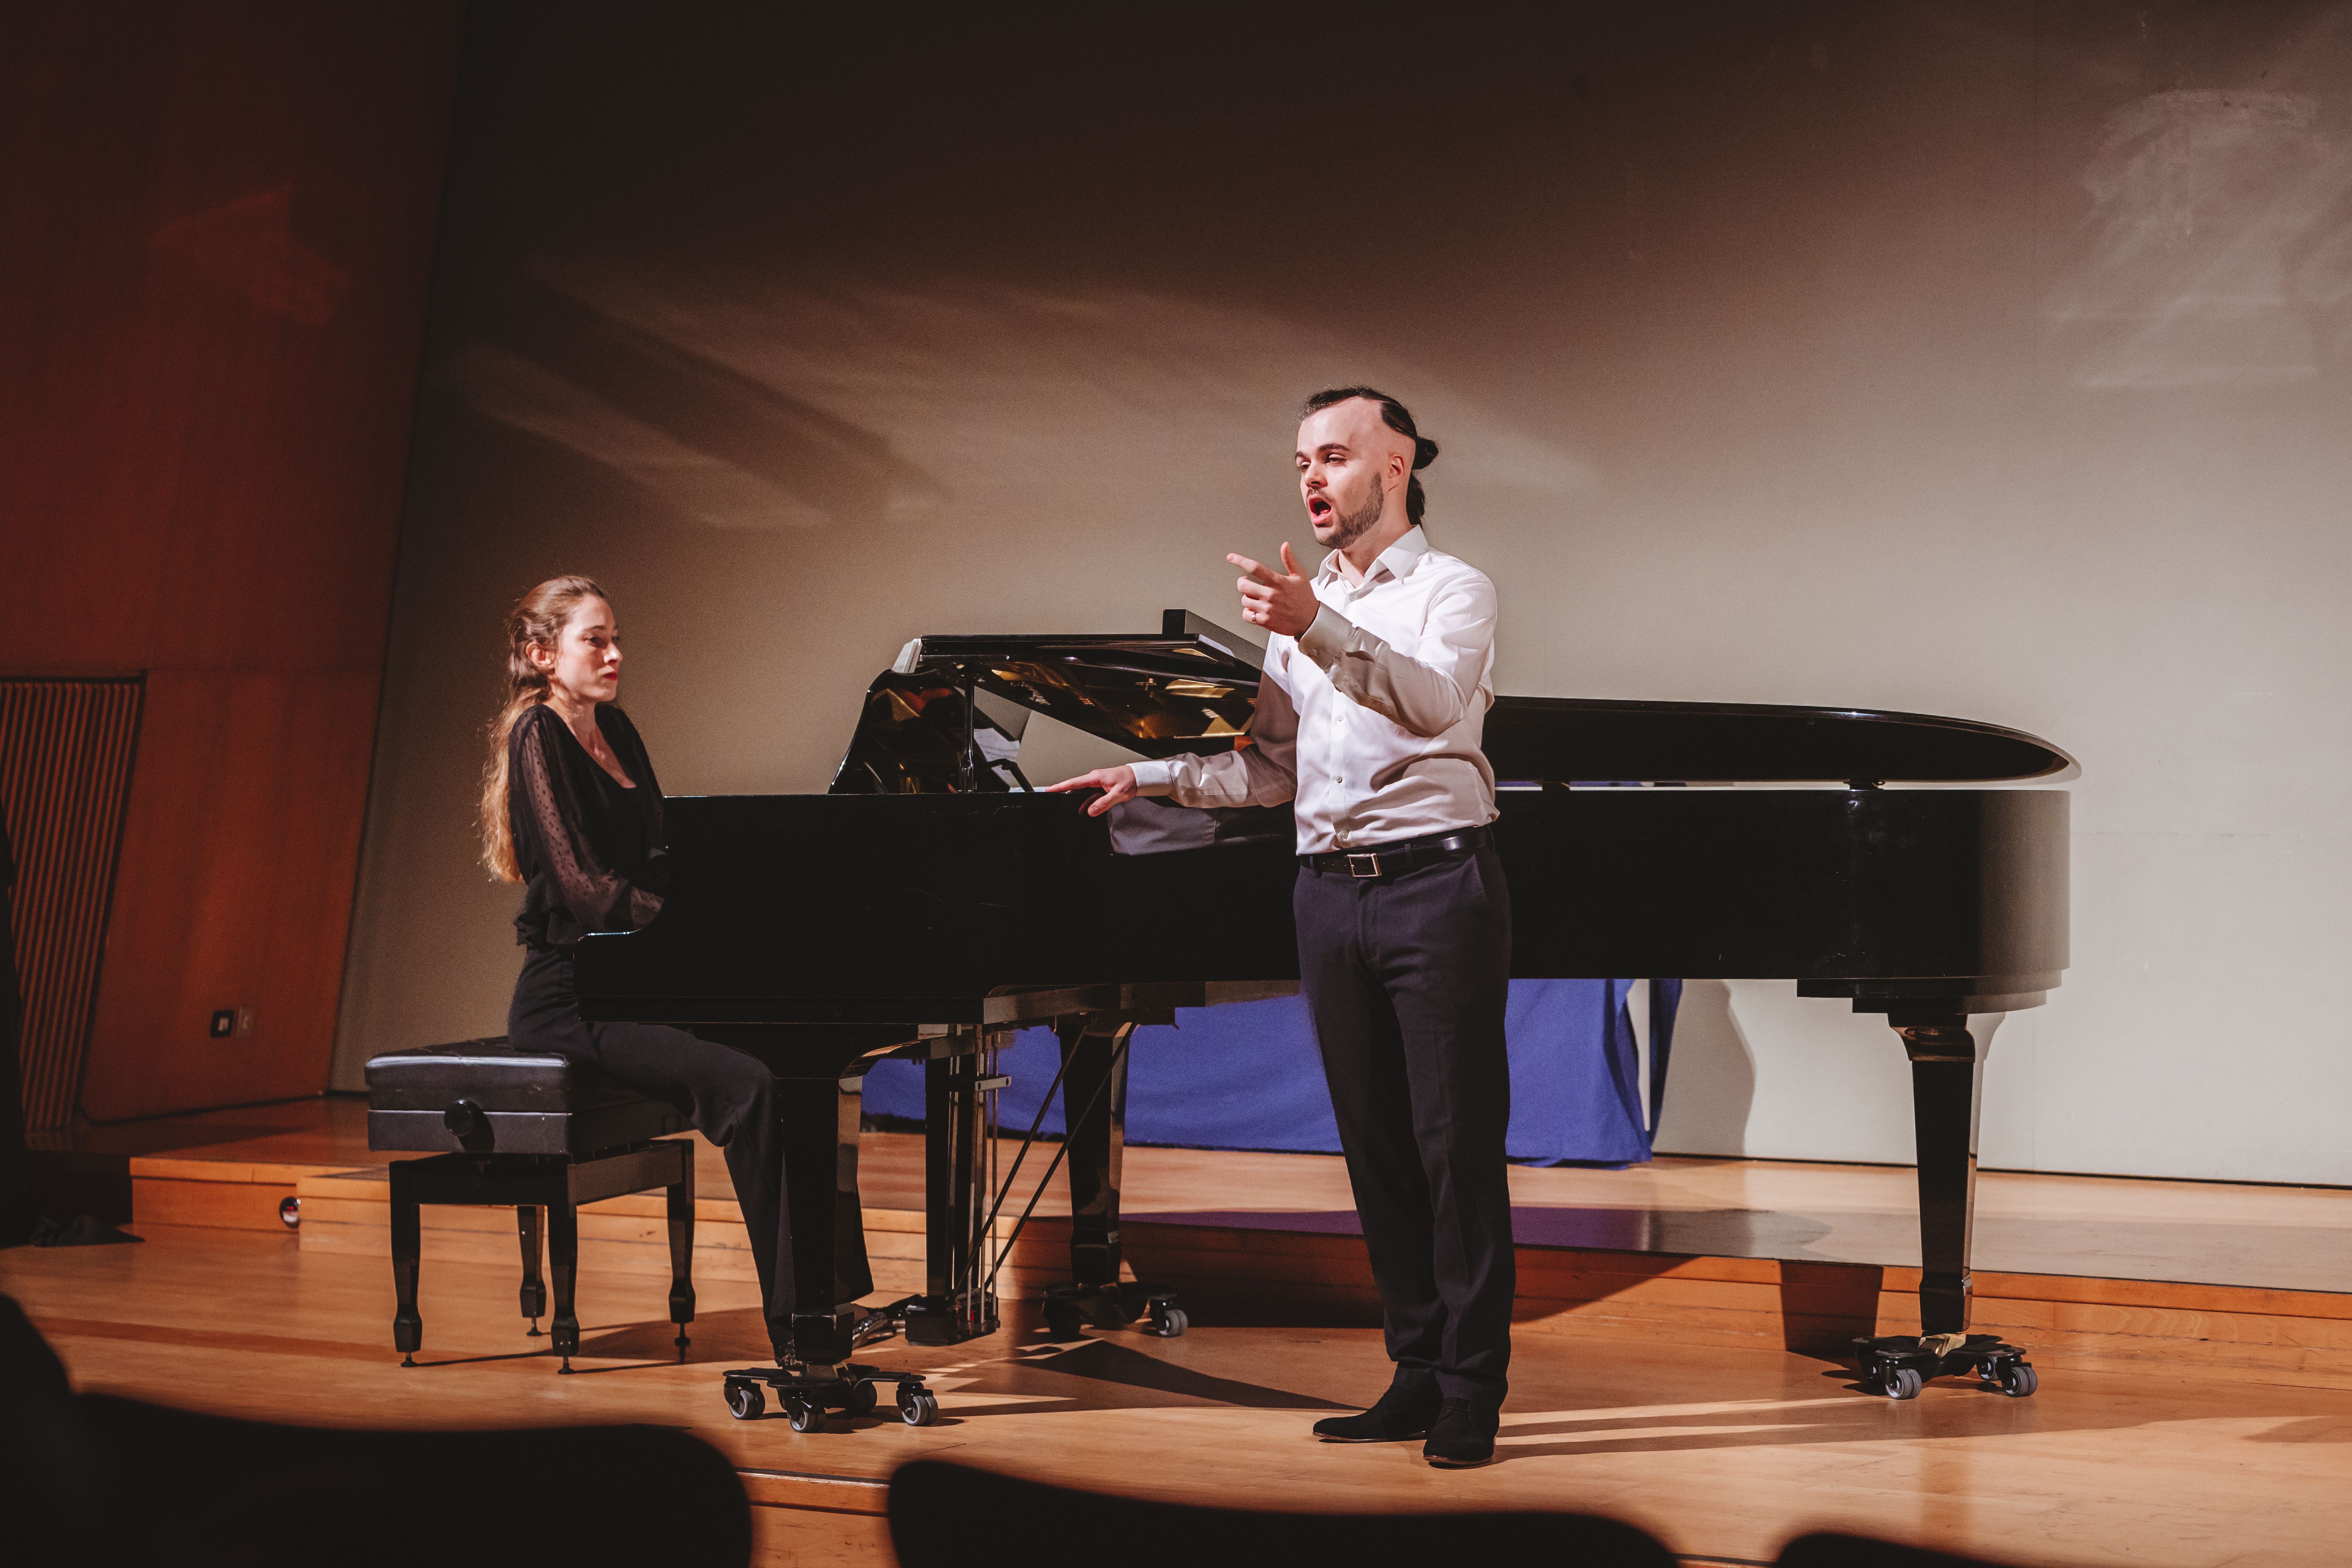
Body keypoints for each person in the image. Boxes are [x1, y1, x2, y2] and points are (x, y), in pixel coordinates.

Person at [1047, 388, 1513, 1468]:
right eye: (1301, 459)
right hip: (1326, 892)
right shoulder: (1304, 616)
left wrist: (1318, 625)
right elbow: (1268, 765)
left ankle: (1471, 1391)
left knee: (1452, 1146)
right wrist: (1149, 772)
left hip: (1434, 888)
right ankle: (1414, 1368)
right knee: (1375, 1143)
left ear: (1393, 466)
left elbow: (1435, 701)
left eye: (1333, 456)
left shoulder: (1453, 590)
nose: (1309, 478)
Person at [481, 574, 869, 1365]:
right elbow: (588, 893)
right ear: (540, 654)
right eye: (595, 638)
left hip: (640, 977)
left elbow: (666, 854)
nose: (615, 652)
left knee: (800, 1070)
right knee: (750, 1086)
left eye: (615, 636)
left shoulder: (614, 728)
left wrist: (738, 904)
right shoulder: (537, 735)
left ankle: (829, 1300)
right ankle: (799, 1333)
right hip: (571, 996)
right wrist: (686, 925)